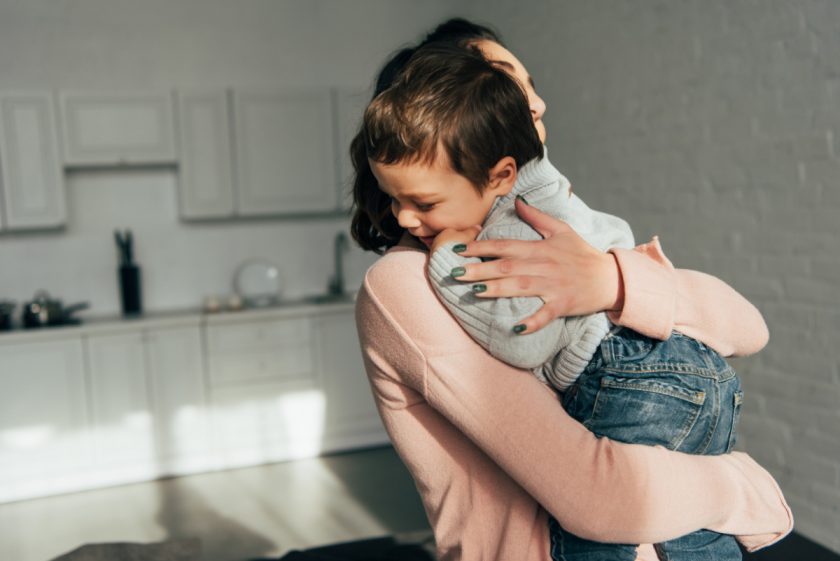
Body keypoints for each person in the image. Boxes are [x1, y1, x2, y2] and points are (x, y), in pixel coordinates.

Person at [351, 18, 792, 561]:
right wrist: (738, 487)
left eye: (530, 86)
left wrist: (608, 280)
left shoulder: (547, 226)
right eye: (508, 87)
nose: (536, 105)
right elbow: (598, 499)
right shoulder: (405, 284)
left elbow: (748, 328)